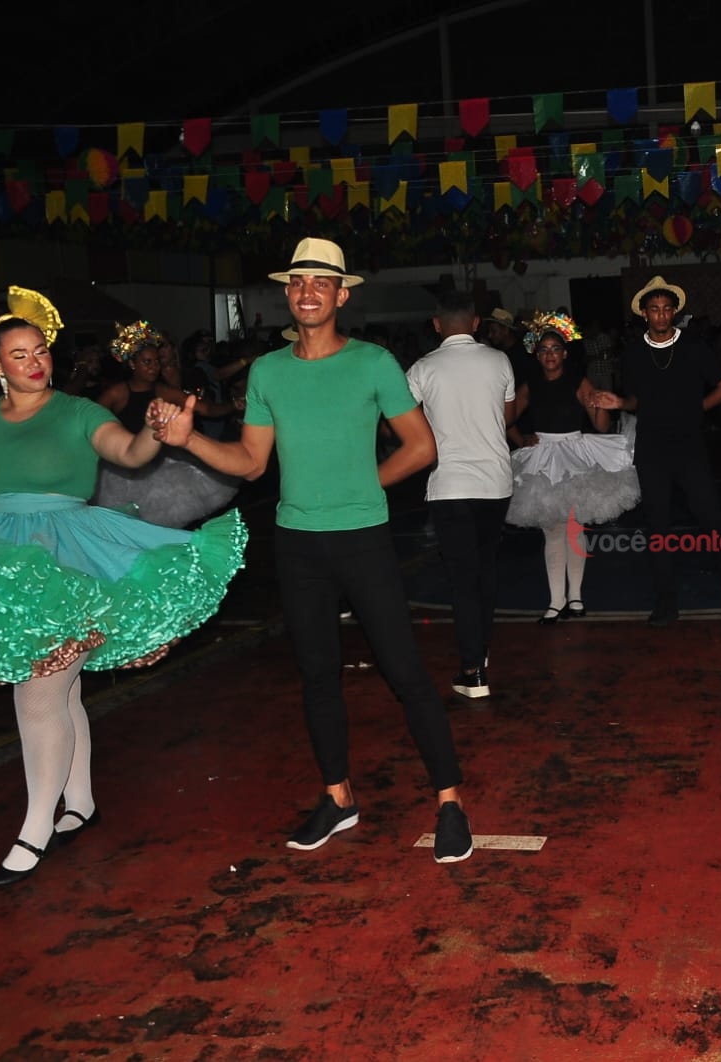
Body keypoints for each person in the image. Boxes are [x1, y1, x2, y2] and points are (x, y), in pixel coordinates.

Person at [0, 286, 246, 886]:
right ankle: (81, 803)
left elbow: (128, 452)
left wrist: (156, 429)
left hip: (68, 559)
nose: (34, 362)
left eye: (39, 350)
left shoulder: (77, 411)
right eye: (19, 354)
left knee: (39, 694)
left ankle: (35, 828)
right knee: (61, 693)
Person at [158, 238, 473, 863]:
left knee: (405, 671)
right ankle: (338, 796)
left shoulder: (373, 363)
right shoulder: (268, 371)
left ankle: (450, 802)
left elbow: (421, 447)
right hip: (297, 543)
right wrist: (188, 439)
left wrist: (364, 485)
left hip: (363, 539)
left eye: (321, 282)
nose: (308, 292)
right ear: (288, 292)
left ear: (341, 295)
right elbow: (251, 463)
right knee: (318, 675)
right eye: (298, 281)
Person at [589, 275, 721, 626]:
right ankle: (666, 603)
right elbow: (635, 399)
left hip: (689, 446)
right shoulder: (633, 352)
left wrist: (696, 409)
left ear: (674, 312)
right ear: (644, 314)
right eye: (655, 309)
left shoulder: (693, 345)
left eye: (666, 309)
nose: (661, 315)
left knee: (712, 520)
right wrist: (619, 402)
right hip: (652, 447)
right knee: (657, 526)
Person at [404, 292, 517, 698]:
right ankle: (480, 651)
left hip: (450, 484)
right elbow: (506, 417)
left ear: (437, 325)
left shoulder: (422, 368)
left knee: (462, 578)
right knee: (486, 570)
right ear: (476, 323)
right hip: (495, 483)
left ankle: (473, 671)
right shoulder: (499, 361)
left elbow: (401, 424)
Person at [505, 311, 639, 623]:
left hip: (574, 454)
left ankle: (576, 597)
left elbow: (601, 425)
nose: (549, 354)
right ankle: (556, 601)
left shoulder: (579, 380)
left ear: (565, 353)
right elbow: (506, 419)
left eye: (555, 349)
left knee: (574, 527)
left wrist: (599, 405)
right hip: (542, 457)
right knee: (552, 530)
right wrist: (520, 439)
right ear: (537, 354)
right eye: (543, 350)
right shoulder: (530, 384)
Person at [94, 321, 241, 529]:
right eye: (147, 362)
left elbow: (206, 409)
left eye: (156, 362)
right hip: (122, 472)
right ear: (132, 364)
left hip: (161, 468)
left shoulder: (163, 391)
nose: (154, 367)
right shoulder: (117, 393)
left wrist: (233, 405)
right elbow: (90, 422)